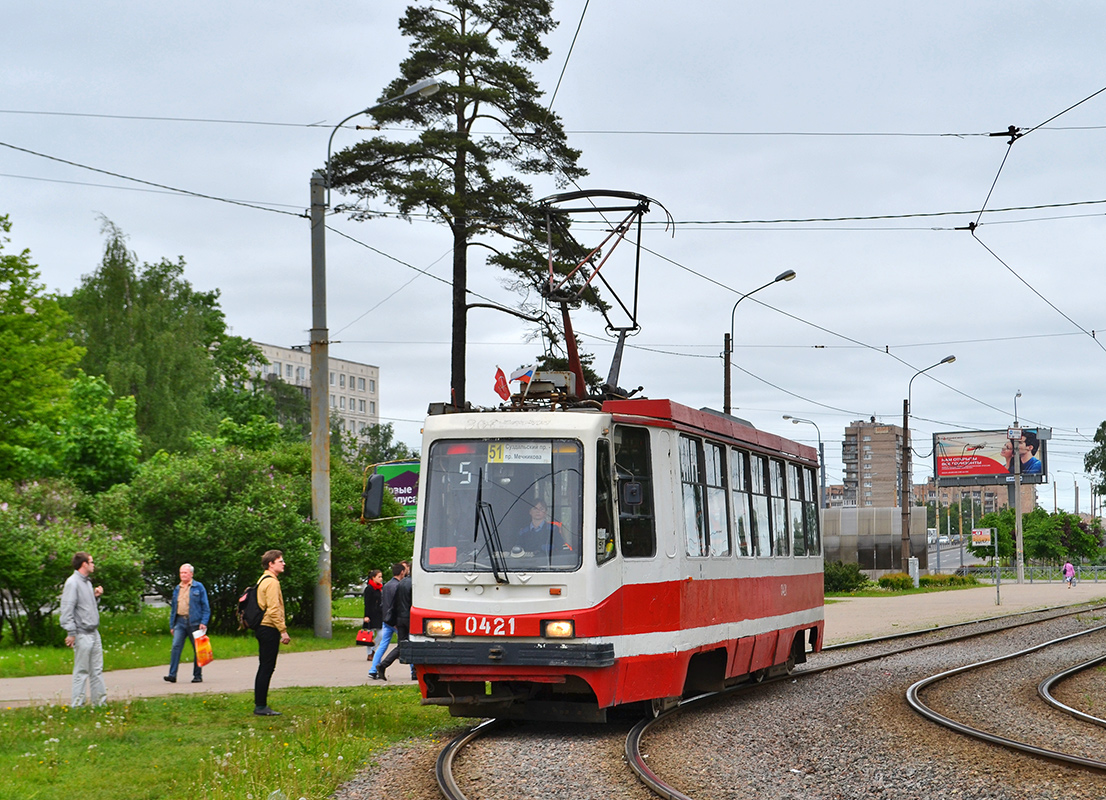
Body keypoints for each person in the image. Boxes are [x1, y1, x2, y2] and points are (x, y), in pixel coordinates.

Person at [59, 551, 106, 707]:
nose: (93, 565)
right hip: (81, 634)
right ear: (84, 564)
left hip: (94, 632)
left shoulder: (87, 582)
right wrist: (71, 633)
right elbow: (67, 609)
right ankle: (77, 706)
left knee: (97, 670)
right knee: (81, 671)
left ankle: (99, 704)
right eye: (91, 562)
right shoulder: (72, 583)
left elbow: (86, 607)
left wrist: (95, 596)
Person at [253, 549, 291, 716]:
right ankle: (260, 706)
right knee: (267, 667)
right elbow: (273, 609)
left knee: (264, 666)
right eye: (280, 561)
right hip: (268, 627)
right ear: (271, 563)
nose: (283, 564)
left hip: (262, 627)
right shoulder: (272, 582)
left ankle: (260, 704)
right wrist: (283, 631)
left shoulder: (263, 579)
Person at [164, 563, 210, 684]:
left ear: (191, 574)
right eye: (181, 573)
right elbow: (174, 608)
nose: (183, 575)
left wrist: (204, 622)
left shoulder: (198, 587)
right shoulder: (177, 588)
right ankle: (172, 675)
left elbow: (205, 606)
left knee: (198, 650)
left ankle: (197, 675)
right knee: (175, 647)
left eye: (185, 573)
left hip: (194, 622)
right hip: (179, 622)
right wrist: (172, 625)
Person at [377, 561, 415, 681]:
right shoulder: (414, 584)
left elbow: (395, 602)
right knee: (414, 643)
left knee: (401, 646)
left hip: (400, 619)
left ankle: (383, 665)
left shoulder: (402, 583)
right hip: (410, 618)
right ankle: (415, 672)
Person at [369, 562, 406, 680]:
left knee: (383, 645)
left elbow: (384, 603)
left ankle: (373, 669)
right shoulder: (399, 586)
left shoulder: (386, 585)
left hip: (387, 620)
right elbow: (397, 605)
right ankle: (413, 670)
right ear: (402, 572)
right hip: (395, 621)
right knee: (406, 643)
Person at [362, 569, 383, 662]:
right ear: (373, 578)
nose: (381, 579)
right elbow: (367, 603)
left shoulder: (379, 588)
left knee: (381, 634)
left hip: (378, 614)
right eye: (379, 577)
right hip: (370, 614)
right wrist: (366, 615)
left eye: (381, 577)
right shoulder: (369, 588)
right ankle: (369, 653)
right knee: (370, 635)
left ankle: (373, 649)